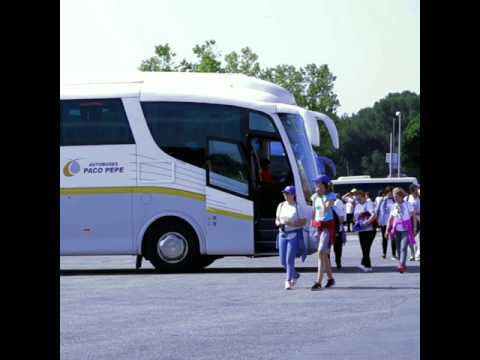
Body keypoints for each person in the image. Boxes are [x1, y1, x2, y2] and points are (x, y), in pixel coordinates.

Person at [275, 185, 307, 290]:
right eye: (284, 193)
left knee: (289, 259)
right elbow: (276, 220)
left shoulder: (298, 207)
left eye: (288, 193)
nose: (285, 195)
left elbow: (304, 221)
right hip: (282, 234)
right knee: (282, 261)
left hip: (293, 234)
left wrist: (292, 224)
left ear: (293, 195)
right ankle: (295, 274)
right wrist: (279, 223)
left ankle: (288, 280)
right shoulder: (281, 205)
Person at [311, 175, 337, 290]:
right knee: (323, 253)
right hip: (318, 226)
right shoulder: (314, 197)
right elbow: (314, 212)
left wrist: (321, 198)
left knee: (321, 251)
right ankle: (330, 279)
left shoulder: (330, 196)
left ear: (325, 186)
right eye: (316, 184)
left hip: (327, 226)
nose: (317, 186)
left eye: (319, 184)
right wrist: (312, 226)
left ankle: (318, 281)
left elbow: (326, 208)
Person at [386, 187, 416, 273]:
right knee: (398, 248)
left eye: (396, 196)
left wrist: (414, 228)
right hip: (396, 229)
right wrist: (387, 229)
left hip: (406, 229)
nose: (394, 198)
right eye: (394, 196)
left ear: (401, 196)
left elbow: (413, 216)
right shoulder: (394, 206)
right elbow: (391, 218)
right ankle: (402, 264)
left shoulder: (407, 204)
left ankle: (401, 264)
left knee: (403, 248)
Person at [353, 190, 377, 272]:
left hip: (369, 230)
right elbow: (355, 217)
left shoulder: (368, 204)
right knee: (364, 248)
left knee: (366, 248)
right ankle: (364, 264)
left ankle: (368, 266)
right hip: (361, 230)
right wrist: (356, 224)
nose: (358, 201)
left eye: (359, 199)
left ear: (364, 197)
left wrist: (366, 223)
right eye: (357, 199)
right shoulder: (357, 205)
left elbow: (374, 215)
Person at [376, 186, 397, 260]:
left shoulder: (394, 200)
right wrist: (378, 220)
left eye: (391, 193)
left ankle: (394, 254)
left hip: (392, 222)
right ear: (386, 193)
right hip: (383, 222)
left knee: (393, 238)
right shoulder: (382, 200)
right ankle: (384, 253)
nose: (390, 194)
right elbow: (377, 210)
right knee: (384, 238)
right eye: (389, 193)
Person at [406, 184, 421, 261]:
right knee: (410, 238)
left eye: (418, 189)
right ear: (411, 191)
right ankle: (412, 254)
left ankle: (418, 254)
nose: (417, 191)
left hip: (419, 218)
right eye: (415, 190)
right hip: (410, 219)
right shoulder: (407, 198)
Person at [332, 193, 346, 269]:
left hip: (337, 230)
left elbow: (341, 219)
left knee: (336, 248)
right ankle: (337, 262)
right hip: (335, 230)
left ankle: (338, 261)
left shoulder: (336, 208)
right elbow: (342, 219)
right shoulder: (336, 208)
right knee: (337, 248)